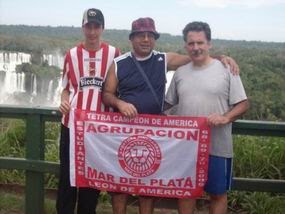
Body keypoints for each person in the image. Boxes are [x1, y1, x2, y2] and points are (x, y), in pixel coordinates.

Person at [102, 17, 239, 214]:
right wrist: (119, 103)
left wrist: (223, 57)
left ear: (155, 39)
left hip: (154, 135)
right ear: (132, 38)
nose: (146, 39)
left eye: (150, 35)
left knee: (147, 185)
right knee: (118, 188)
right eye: (141, 35)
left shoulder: (163, 59)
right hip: (124, 133)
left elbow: (197, 56)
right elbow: (107, 95)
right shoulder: (119, 63)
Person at [165, 21, 249, 214]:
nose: (196, 48)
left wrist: (226, 118)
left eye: (200, 43)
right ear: (186, 46)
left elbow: (243, 104)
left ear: (209, 44)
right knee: (186, 193)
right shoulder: (180, 73)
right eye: (191, 43)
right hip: (186, 147)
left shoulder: (227, 69)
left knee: (217, 194)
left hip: (217, 146)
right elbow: (167, 104)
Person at [57, 8, 120, 214]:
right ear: (83, 27)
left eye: (96, 27)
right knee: (67, 176)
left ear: (102, 28)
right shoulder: (72, 55)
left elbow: (118, 88)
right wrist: (63, 102)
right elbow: (65, 89)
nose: (92, 32)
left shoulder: (113, 53)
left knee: (91, 178)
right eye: (88, 26)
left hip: (98, 129)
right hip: (71, 125)